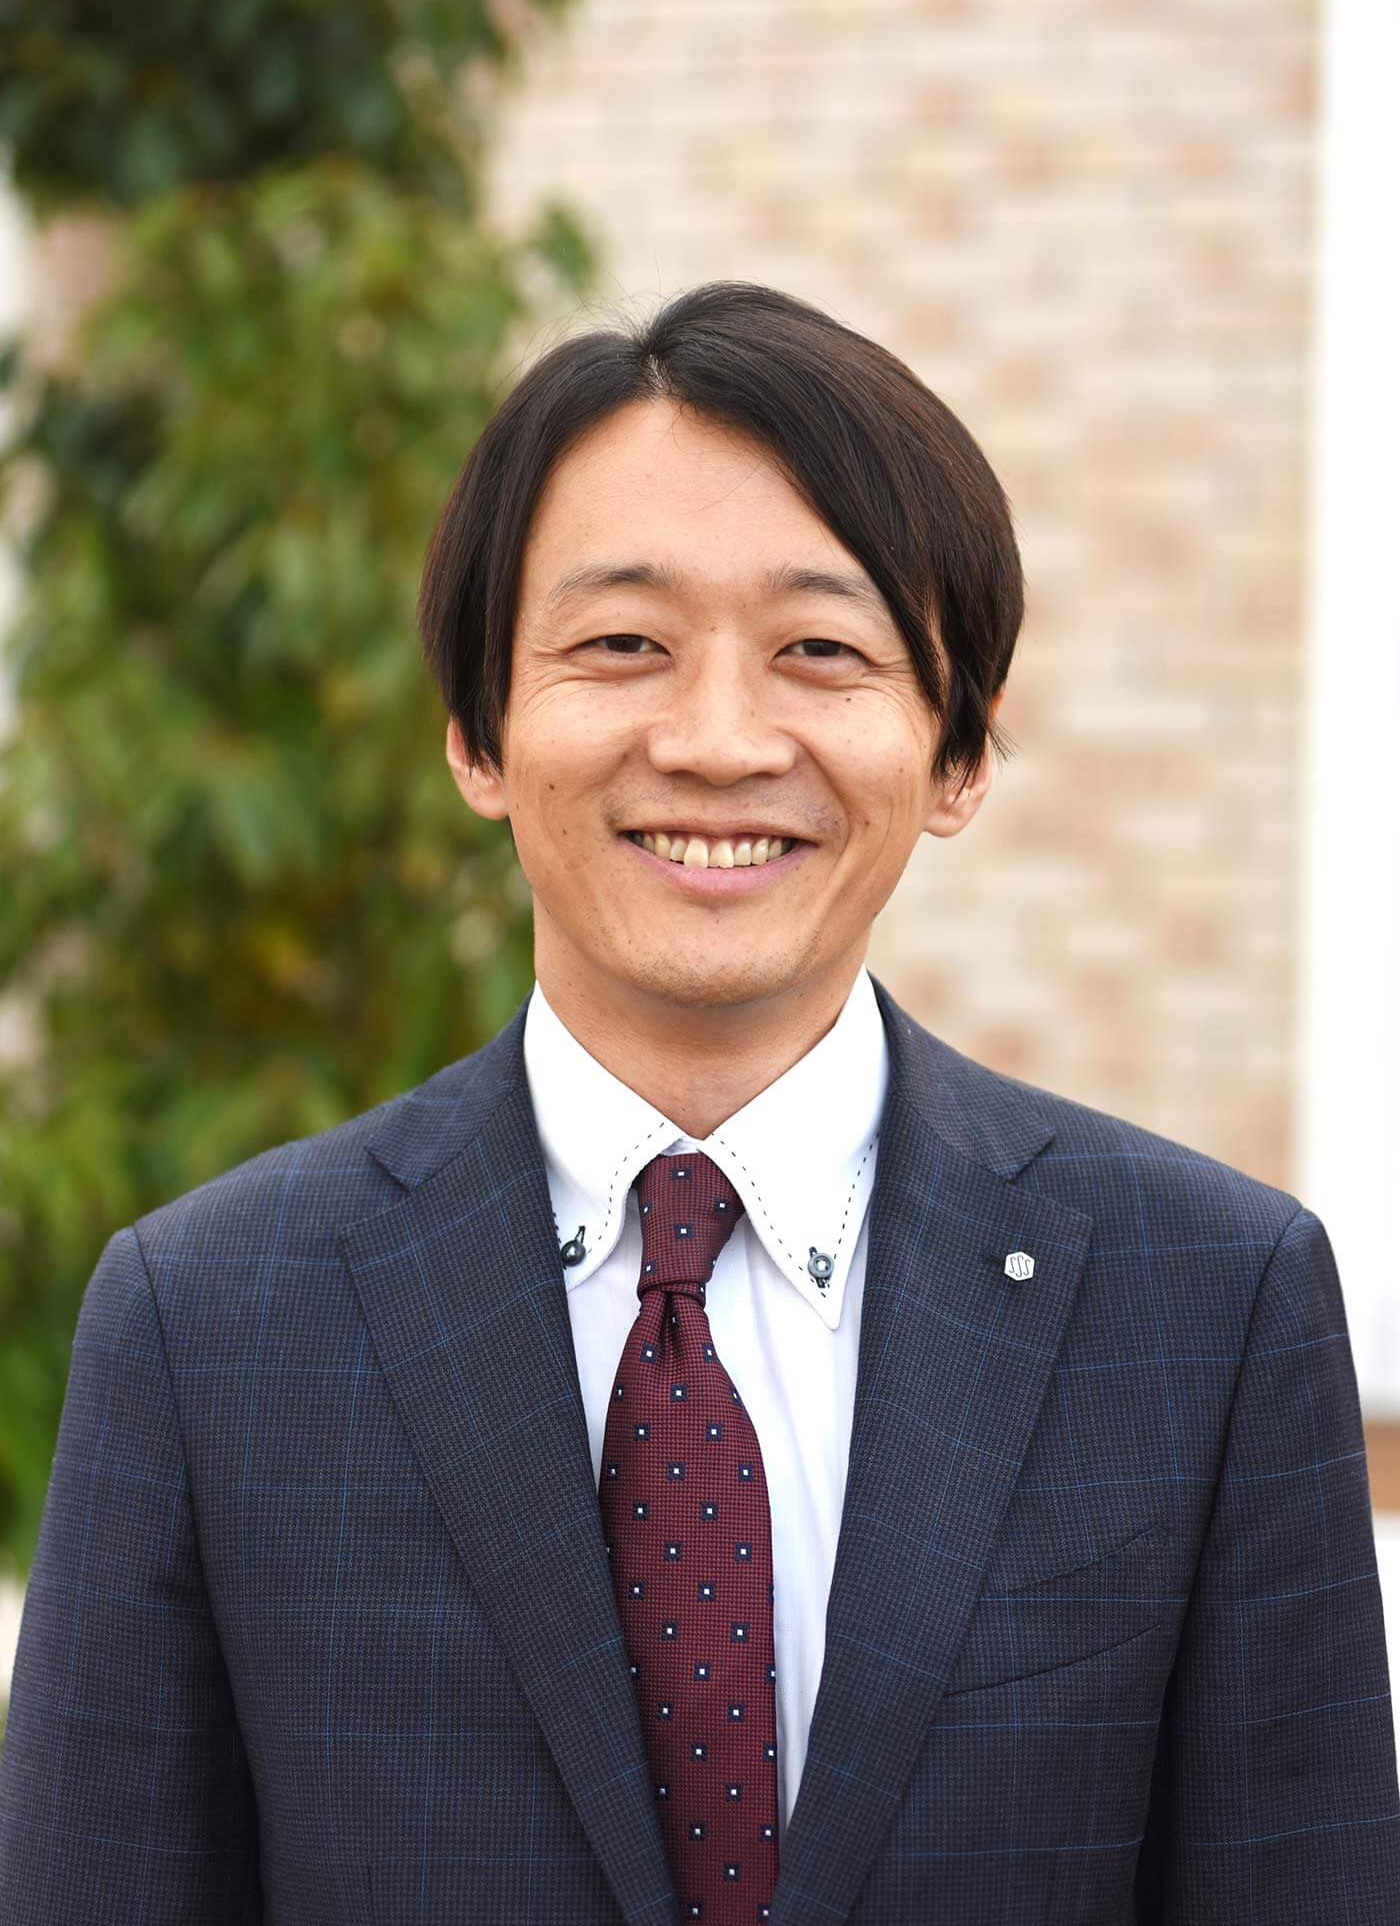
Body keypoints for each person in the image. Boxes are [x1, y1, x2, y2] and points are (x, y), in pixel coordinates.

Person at [0, 281, 1396, 1926]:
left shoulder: (1209, 1305)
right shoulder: (212, 1323)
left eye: (821, 651)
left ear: (958, 752)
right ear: (477, 735)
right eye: (622, 645)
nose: (721, 741)